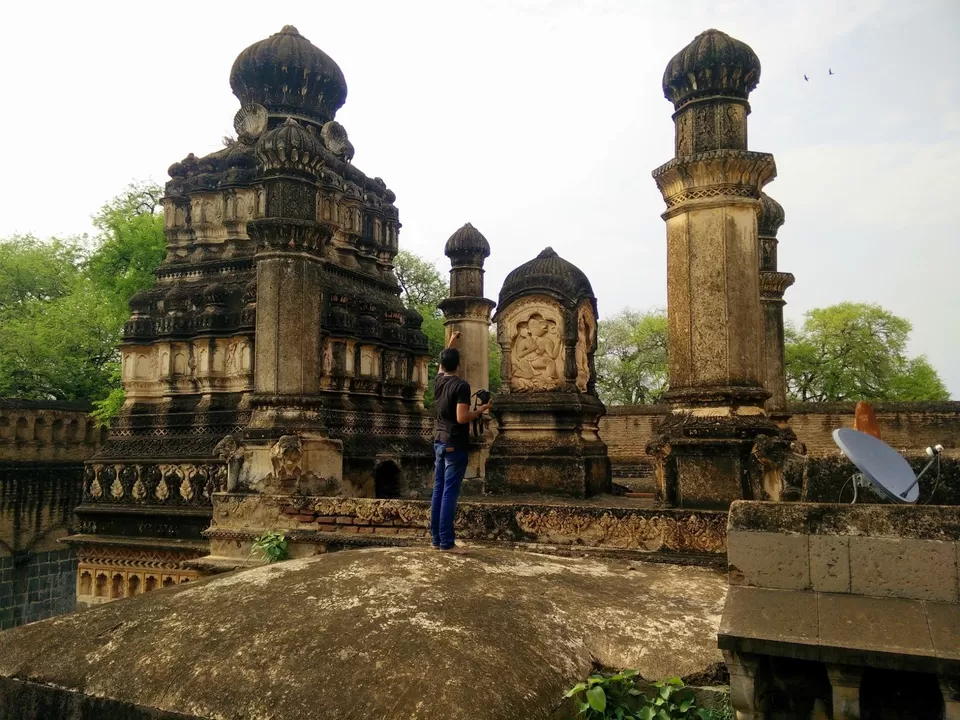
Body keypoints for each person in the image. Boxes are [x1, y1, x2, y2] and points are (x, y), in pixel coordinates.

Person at [431, 331, 491, 554]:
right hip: (455, 443)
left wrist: (450, 344)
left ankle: (436, 539)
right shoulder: (461, 386)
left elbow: (442, 365)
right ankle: (447, 543)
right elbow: (462, 417)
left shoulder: (438, 381)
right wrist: (481, 410)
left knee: (438, 490)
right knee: (449, 493)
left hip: (439, 441)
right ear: (459, 365)